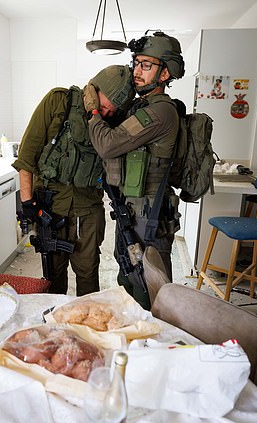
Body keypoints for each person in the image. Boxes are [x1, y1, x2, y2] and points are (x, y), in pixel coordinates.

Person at [12, 65, 136, 296]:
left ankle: (87, 328)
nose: (108, 114)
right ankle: (54, 327)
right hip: (51, 207)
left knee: (88, 275)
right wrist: (28, 203)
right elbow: (27, 155)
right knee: (53, 277)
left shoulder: (112, 120)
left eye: (114, 110)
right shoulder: (58, 102)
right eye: (106, 106)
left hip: (88, 209)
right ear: (94, 90)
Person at [86, 31, 185, 308]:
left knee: (152, 288)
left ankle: (157, 343)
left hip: (149, 216)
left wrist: (94, 112)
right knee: (129, 277)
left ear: (165, 74)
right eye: (137, 63)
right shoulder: (141, 105)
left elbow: (107, 144)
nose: (137, 72)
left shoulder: (160, 111)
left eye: (147, 65)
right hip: (132, 210)